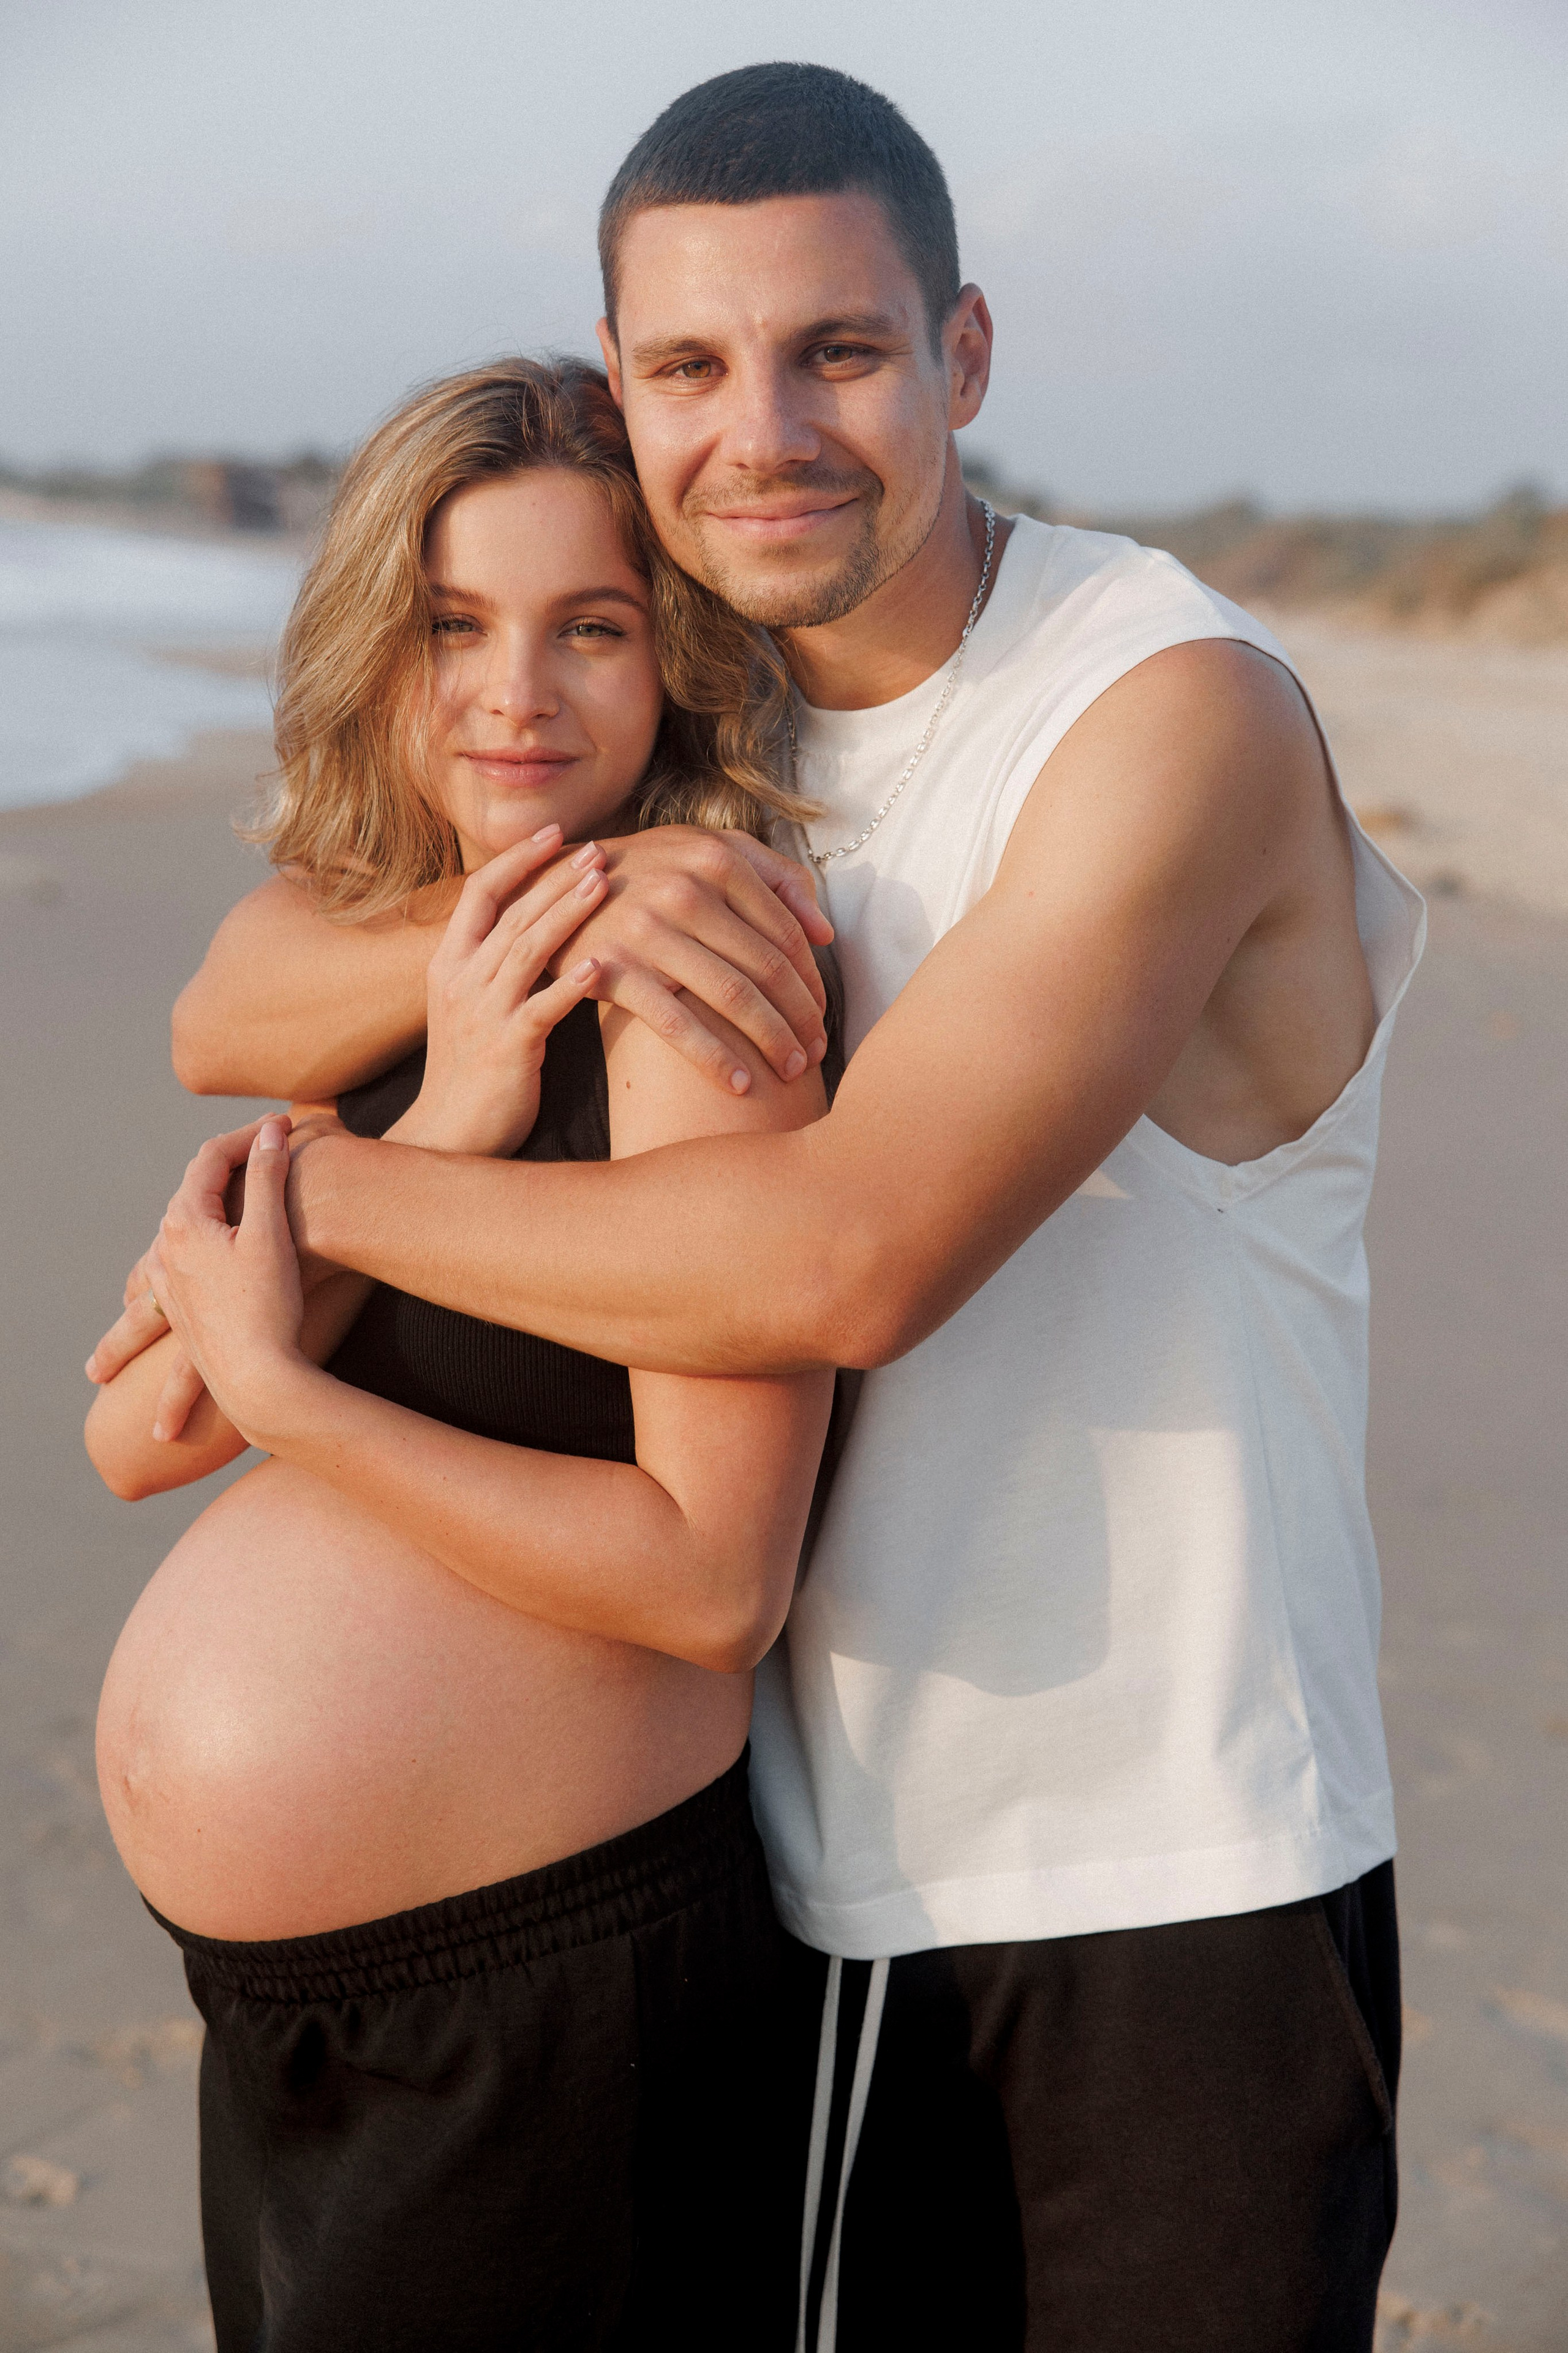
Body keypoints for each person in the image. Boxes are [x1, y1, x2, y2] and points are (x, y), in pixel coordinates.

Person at [92, 64, 1423, 2353]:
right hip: (825, 1888)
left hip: (1171, 1879)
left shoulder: (1158, 707)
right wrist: (481, 966)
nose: (767, 429)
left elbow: (848, 1254)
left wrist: (319, 1211)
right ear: (626, 395)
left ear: (964, 357)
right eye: (693, 368)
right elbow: (237, 985)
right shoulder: (728, 757)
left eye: (841, 351)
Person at [85, 356, 840, 2352]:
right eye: (453, 627)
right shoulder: (371, 978)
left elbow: (711, 1579)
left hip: (548, 2000)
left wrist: (295, 1401)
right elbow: (135, 1430)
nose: (517, 694)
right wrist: (445, 1123)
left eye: (590, 628)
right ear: (375, 645)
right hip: (293, 2005)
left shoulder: (692, 1001)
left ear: (674, 655)